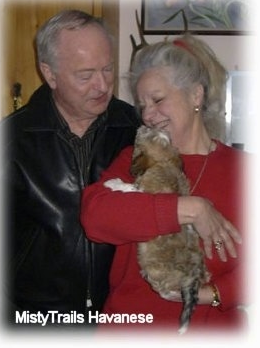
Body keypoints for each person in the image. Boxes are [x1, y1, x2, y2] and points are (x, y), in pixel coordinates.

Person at [81, 34, 249, 334]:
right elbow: (94, 216)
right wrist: (190, 209)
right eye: (141, 104)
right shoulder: (138, 159)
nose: (146, 114)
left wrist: (213, 293)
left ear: (196, 96)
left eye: (158, 100)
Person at [0, 9, 140, 327]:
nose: (102, 85)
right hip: (33, 319)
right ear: (50, 74)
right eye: (85, 74)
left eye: (107, 69)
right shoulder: (8, 141)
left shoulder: (137, 130)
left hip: (121, 314)